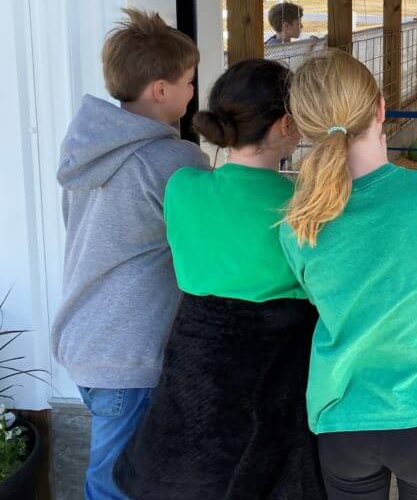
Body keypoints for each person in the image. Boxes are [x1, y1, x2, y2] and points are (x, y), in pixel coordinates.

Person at [113, 59, 325, 500]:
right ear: (287, 123)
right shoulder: (302, 207)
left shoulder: (183, 187)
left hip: (194, 364)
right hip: (275, 372)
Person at [280, 50, 417, 500]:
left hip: (343, 416)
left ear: (303, 127)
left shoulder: (296, 224)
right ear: (381, 108)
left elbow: (313, 292)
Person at [51, 9, 209, 500]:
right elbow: (202, 247)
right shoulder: (174, 160)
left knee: (122, 474)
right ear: (159, 90)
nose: (191, 92)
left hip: (85, 338)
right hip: (129, 352)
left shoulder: (85, 149)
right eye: (187, 82)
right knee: (117, 483)